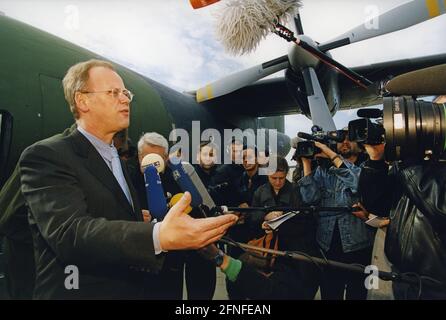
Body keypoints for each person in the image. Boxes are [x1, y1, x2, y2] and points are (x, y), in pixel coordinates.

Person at [18, 59, 237, 299]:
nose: (125, 99)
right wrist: (157, 235)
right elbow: (70, 234)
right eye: (113, 92)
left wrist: (136, 218)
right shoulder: (46, 155)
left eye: (125, 92)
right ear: (83, 101)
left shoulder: (116, 158)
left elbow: (104, 215)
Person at [359, 143, 446, 299]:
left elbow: (441, 208)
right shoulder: (409, 166)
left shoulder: (412, 166)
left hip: (437, 281)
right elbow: (379, 206)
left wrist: (410, 162)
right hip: (404, 276)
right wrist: (375, 160)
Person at [299, 131, 375, 300]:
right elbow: (309, 199)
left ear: (360, 146)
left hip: (358, 246)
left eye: (349, 139)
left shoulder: (367, 167)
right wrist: (306, 164)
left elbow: (355, 181)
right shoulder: (324, 171)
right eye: (340, 140)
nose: (344, 143)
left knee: (357, 294)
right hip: (327, 246)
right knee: (330, 293)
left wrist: (329, 152)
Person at [247, 156, 320, 299]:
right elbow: (252, 218)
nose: (278, 182)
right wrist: (264, 219)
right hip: (269, 248)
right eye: (274, 178)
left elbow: (306, 221)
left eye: (281, 178)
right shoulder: (260, 192)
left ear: (287, 173)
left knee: (296, 286)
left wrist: (284, 218)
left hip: (293, 247)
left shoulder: (296, 190)